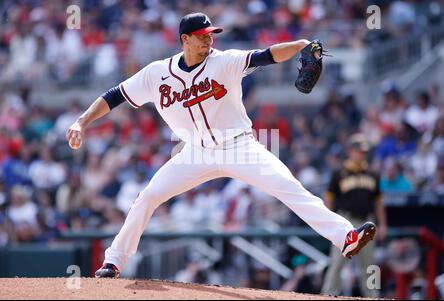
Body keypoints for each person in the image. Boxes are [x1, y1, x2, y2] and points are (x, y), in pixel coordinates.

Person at [66, 12, 376, 278]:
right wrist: (81, 121)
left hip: (239, 147)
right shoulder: (156, 74)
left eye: (211, 34)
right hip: (194, 153)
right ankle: (114, 261)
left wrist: (298, 46)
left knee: (290, 188)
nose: (209, 40)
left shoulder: (225, 61)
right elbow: (113, 96)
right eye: (202, 36)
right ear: (185, 39)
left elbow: (267, 54)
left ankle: (345, 237)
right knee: (148, 197)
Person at [321, 134, 387, 297]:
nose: (362, 154)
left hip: (367, 221)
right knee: (337, 262)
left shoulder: (372, 173)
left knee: (370, 264)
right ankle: (328, 294)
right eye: (359, 151)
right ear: (350, 151)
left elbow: (378, 203)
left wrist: (383, 224)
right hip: (346, 221)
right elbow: (328, 199)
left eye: (364, 152)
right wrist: (330, 223)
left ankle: (373, 295)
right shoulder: (339, 173)